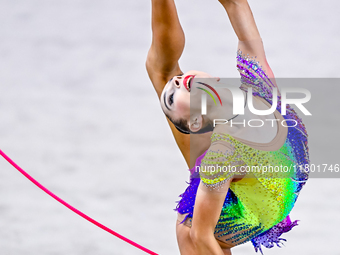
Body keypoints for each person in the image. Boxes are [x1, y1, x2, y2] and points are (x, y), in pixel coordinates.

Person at [146, 0, 309, 254]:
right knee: (188, 228)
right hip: (251, 194)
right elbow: (202, 236)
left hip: (264, 196)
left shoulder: (258, 84)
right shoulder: (221, 153)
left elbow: (236, 4)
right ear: (195, 123)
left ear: (214, 79)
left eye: (179, 80)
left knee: (191, 226)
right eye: (172, 95)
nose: (178, 81)